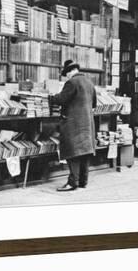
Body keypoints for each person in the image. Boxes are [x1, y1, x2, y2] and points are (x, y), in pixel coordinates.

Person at [51, 60, 97, 191]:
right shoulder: (89, 82)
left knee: (73, 152)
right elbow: (94, 104)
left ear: (70, 72)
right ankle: (83, 181)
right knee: (84, 152)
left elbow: (61, 99)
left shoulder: (72, 82)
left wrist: (51, 98)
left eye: (66, 74)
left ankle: (72, 183)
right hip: (87, 124)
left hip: (74, 124)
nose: (66, 77)